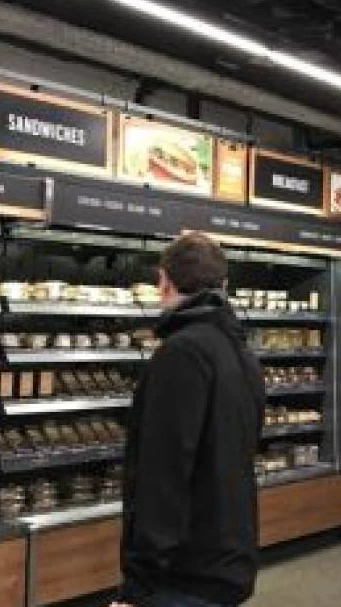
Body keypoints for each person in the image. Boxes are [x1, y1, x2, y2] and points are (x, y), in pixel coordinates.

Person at [113, 232, 265, 607]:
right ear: (224, 286)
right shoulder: (241, 353)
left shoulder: (180, 353)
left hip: (183, 573)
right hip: (228, 559)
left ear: (163, 282)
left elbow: (163, 473)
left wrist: (140, 580)